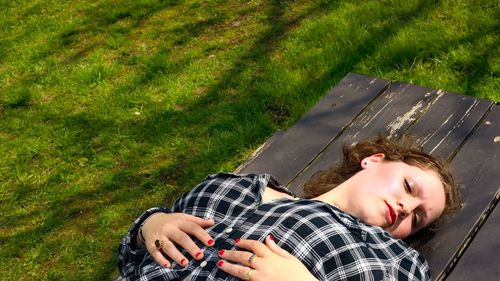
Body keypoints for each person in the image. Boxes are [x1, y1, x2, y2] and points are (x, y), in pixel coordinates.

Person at [117, 135, 461, 281]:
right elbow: (132, 258)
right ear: (372, 161)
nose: (405, 207)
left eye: (416, 218)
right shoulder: (232, 184)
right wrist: (152, 223)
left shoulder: (394, 260)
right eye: (408, 187)